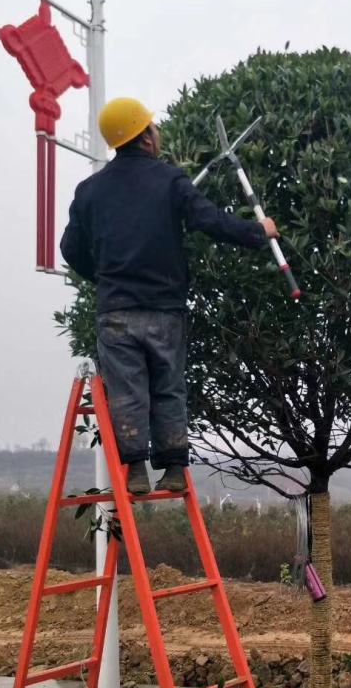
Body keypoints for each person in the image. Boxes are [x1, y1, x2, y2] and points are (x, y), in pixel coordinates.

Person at [60, 97, 277, 495]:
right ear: (144, 137)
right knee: (167, 388)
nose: (157, 135)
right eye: (154, 129)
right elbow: (209, 221)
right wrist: (258, 231)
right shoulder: (170, 181)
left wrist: (106, 280)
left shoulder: (89, 191)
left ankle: (136, 472)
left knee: (127, 392)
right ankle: (175, 470)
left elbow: (70, 249)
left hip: (117, 313)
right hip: (164, 311)